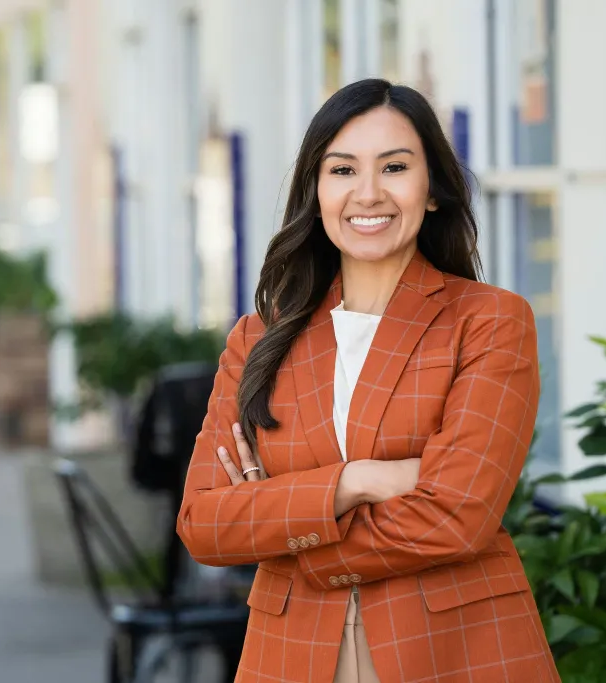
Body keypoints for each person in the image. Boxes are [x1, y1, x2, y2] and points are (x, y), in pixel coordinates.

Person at [176, 79, 559, 683]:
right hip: (291, 653)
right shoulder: (258, 338)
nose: (368, 193)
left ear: (431, 189)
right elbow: (204, 524)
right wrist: (358, 481)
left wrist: (282, 525)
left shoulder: (489, 321)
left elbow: (458, 517)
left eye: (395, 167)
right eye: (343, 169)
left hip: (454, 651)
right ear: (317, 190)